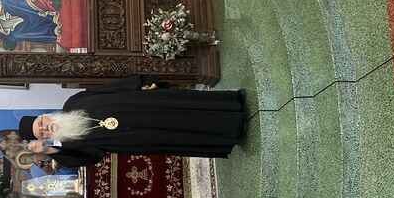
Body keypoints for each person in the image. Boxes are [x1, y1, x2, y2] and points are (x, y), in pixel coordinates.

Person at [18, 75, 247, 167]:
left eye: (41, 122)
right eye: (42, 133)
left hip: (145, 105)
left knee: (185, 109)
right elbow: (90, 158)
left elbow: (109, 90)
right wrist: (48, 151)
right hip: (142, 137)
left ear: (44, 115)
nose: (45, 127)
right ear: (45, 138)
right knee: (182, 132)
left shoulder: (73, 101)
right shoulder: (68, 144)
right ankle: (231, 132)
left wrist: (139, 84)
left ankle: (232, 106)